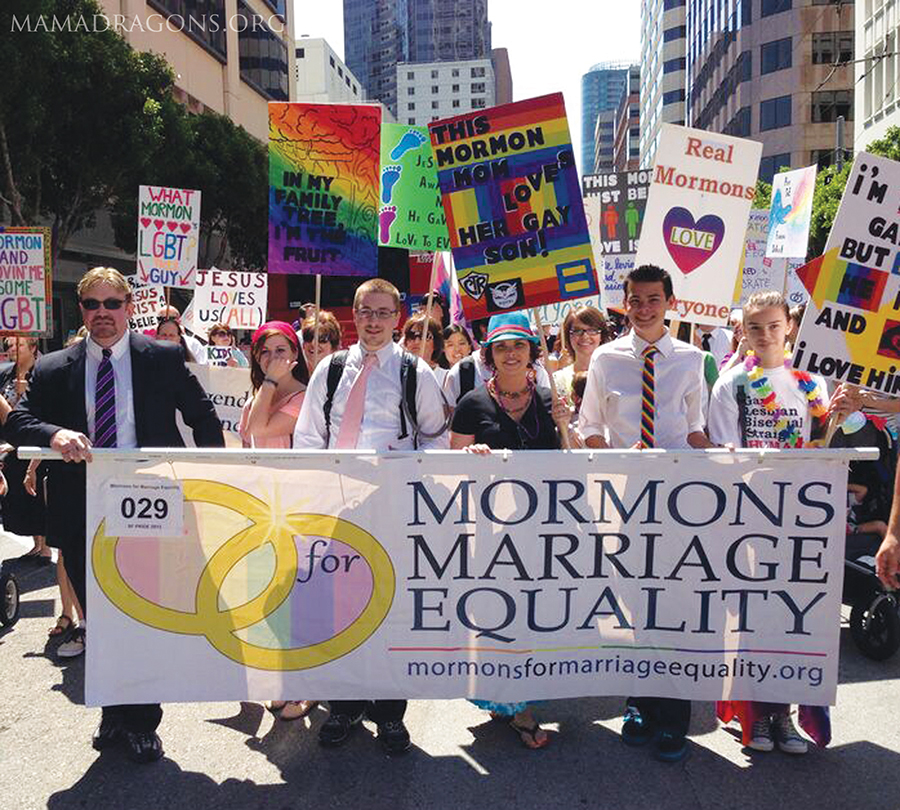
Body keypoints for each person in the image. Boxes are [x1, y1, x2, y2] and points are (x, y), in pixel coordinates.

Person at [6, 267, 224, 764]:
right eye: (92, 304)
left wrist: (211, 479)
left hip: (149, 505)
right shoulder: (54, 367)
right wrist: (54, 434)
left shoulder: (162, 357)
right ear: (82, 311)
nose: (102, 313)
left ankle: (142, 722)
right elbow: (18, 420)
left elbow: (202, 416)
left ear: (129, 307)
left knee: (140, 615)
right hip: (80, 507)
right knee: (100, 620)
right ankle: (113, 710)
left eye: (111, 303)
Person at [293, 278, 449, 755]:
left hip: (391, 508)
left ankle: (390, 711)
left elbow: (437, 439)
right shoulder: (331, 370)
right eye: (365, 311)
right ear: (354, 315)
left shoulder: (415, 372)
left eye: (383, 312)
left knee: (390, 610)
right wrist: (319, 492)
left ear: (397, 317)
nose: (374, 321)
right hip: (338, 509)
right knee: (339, 610)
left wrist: (403, 469)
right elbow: (309, 437)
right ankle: (344, 705)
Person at [579, 264, 712, 763]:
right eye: (635, 300)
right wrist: (618, 456)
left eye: (653, 299)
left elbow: (695, 429)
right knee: (634, 602)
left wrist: (719, 456)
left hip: (679, 501)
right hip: (627, 499)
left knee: (676, 603)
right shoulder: (606, 359)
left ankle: (674, 712)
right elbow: (589, 428)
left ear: (670, 302)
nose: (644, 309)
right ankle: (639, 701)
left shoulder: (693, 360)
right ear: (625, 303)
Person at [708, 290, 829, 754]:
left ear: (789, 326)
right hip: (749, 515)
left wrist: (838, 415)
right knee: (751, 616)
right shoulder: (732, 383)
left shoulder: (812, 382)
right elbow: (724, 452)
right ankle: (754, 714)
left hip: (801, 515)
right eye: (755, 327)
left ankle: (785, 715)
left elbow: (822, 443)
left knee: (793, 617)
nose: (765, 335)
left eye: (774, 325)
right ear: (743, 330)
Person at [450, 312, 570, 749]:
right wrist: (472, 458)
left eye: (519, 344)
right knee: (498, 616)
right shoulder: (471, 404)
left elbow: (573, 466)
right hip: (491, 534)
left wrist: (567, 425)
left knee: (534, 616)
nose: (511, 353)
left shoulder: (550, 399)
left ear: (532, 351)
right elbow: (451, 468)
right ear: (490, 355)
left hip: (541, 530)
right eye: (501, 347)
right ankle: (517, 707)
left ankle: (517, 693)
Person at [239, 321, 314, 721]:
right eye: (265, 351)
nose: (273, 358)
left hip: (297, 509)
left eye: (281, 350)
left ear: (296, 355)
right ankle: (281, 678)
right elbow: (245, 442)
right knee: (269, 600)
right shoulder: (257, 395)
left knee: (298, 601)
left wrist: (269, 382)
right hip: (260, 508)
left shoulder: (303, 398)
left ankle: (305, 683)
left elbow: (260, 428)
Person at [0, 337, 49, 560]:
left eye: (18, 345)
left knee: (36, 494)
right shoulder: (6, 374)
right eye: (9, 345)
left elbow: (28, 413)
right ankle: (37, 544)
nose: (12, 349)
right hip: (10, 444)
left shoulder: (41, 373)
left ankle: (45, 547)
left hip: (34, 441)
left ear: (33, 348)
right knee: (21, 495)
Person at [553, 306, 612, 404]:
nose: (585, 336)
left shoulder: (614, 374)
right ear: (568, 336)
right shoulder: (558, 380)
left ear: (601, 335)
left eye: (592, 330)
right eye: (577, 331)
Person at [402, 313, 447, 387]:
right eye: (411, 336)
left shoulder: (446, 379)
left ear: (436, 343)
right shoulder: (398, 377)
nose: (416, 341)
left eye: (424, 336)